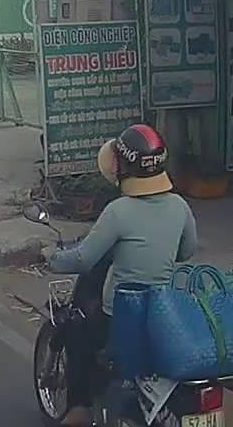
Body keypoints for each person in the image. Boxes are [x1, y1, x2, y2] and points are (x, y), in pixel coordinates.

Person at [46, 124, 197, 427]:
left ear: (125, 167)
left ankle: (79, 409)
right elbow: (186, 251)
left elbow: (84, 258)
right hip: (162, 311)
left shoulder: (118, 211)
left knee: (77, 333)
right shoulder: (180, 206)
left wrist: (50, 257)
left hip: (120, 314)